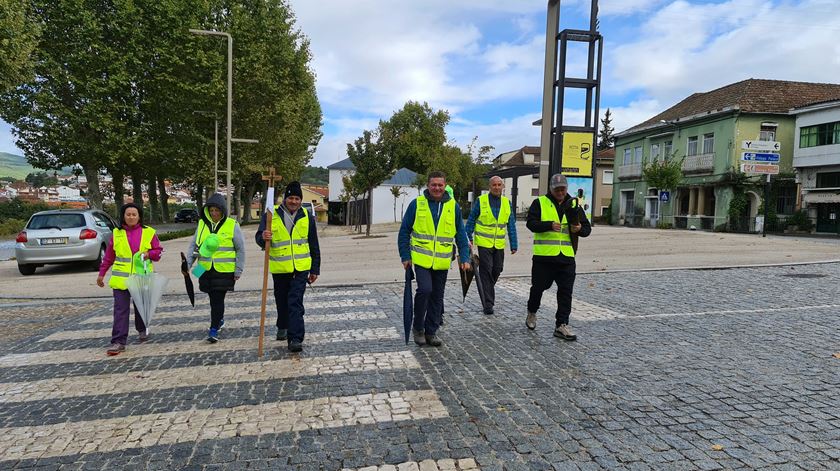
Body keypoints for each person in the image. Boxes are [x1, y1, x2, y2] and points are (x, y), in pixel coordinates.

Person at [398, 171, 470, 347]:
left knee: (438, 296)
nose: (437, 188)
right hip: (421, 259)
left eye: (440, 185)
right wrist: (405, 255)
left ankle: (431, 331)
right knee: (425, 290)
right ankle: (418, 327)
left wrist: (465, 257)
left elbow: (461, 233)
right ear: (428, 186)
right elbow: (404, 231)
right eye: (433, 185)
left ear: (445, 186)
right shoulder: (417, 204)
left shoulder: (454, 207)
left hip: (443, 261)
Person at [256, 181, 321, 353]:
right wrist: (263, 236)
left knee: (295, 302)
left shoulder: (307, 216)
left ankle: (295, 338)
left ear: (301, 200)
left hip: (301, 268)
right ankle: (283, 325)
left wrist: (315, 268)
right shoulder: (271, 214)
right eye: (291, 198)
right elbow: (259, 238)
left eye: (297, 198)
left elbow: (314, 243)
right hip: (280, 267)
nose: (294, 201)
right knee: (282, 301)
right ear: (285, 199)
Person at [525, 173, 591, 340]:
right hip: (544, 258)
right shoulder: (540, 202)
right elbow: (530, 223)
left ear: (566, 188)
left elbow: (586, 229)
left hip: (567, 257)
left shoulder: (574, 204)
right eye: (557, 190)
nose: (560, 193)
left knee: (565, 292)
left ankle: (561, 324)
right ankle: (532, 312)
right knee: (538, 288)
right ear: (551, 189)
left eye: (563, 189)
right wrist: (548, 225)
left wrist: (579, 229)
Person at [96, 202, 163, 356]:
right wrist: (101, 274)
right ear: (123, 217)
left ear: (139, 216)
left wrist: (148, 254)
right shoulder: (116, 233)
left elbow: (158, 252)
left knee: (141, 306)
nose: (131, 217)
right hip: (121, 280)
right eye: (128, 214)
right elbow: (109, 257)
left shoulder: (149, 232)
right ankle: (118, 341)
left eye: (134, 214)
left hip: (141, 277)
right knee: (120, 310)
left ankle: (142, 328)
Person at [184, 193, 246, 343]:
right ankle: (220, 319)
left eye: (217, 210)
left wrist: (238, 270)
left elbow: (241, 249)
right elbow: (195, 245)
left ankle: (213, 328)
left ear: (223, 210)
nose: (214, 213)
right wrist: (188, 264)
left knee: (217, 299)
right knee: (212, 298)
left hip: (224, 270)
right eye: (211, 210)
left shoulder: (232, 225)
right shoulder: (202, 225)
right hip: (205, 269)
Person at [465, 175, 518, 315]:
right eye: (494, 185)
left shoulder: (507, 203)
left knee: (497, 269)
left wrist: (514, 243)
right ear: (489, 187)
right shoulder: (481, 201)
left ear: (503, 187)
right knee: (486, 270)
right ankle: (488, 304)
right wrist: (467, 237)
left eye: (499, 185)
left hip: (499, 244)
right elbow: (471, 220)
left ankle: (486, 288)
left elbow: (511, 224)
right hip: (484, 243)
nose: (496, 187)